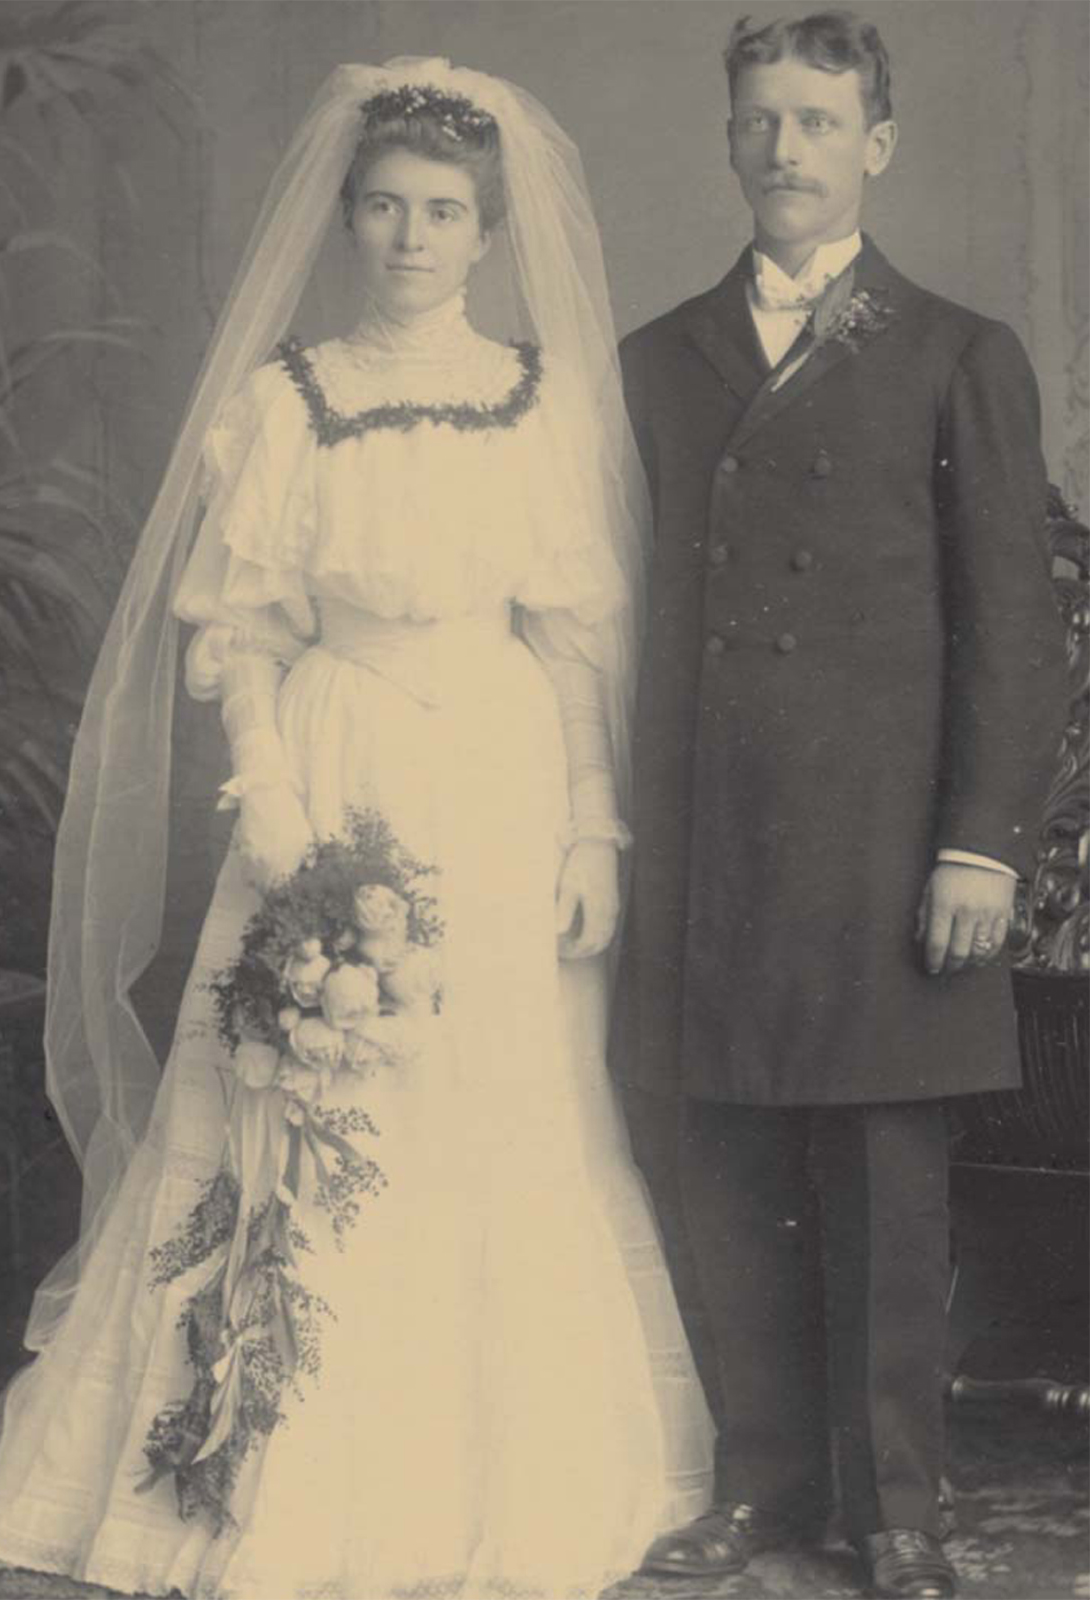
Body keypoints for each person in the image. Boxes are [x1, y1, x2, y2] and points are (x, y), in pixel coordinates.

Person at [0, 57, 713, 1600]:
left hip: (498, 776)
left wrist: (588, 833)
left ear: (488, 231)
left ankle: (495, 1467)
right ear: (344, 219)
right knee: (302, 1097)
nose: (409, 237)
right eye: (382, 207)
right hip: (334, 756)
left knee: (499, 1098)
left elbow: (574, 640)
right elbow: (237, 633)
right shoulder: (280, 406)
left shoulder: (539, 400)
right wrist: (282, 800)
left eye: (441, 212)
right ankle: (251, 1459)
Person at [616, 13, 1067, 1600]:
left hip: (885, 845)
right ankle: (760, 1484)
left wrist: (978, 842)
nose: (784, 149)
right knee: (721, 1161)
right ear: (728, 139)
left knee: (883, 1181)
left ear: (874, 143)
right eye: (760, 120)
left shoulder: (954, 350)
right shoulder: (658, 357)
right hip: (710, 839)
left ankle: (897, 1513)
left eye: (816, 121)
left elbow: (1016, 624)